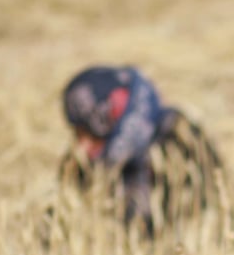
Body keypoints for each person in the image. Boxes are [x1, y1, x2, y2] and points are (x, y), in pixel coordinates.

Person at [61, 65, 173, 239]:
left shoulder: (177, 147)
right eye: (78, 133)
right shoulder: (78, 167)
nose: (82, 146)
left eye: (91, 133)